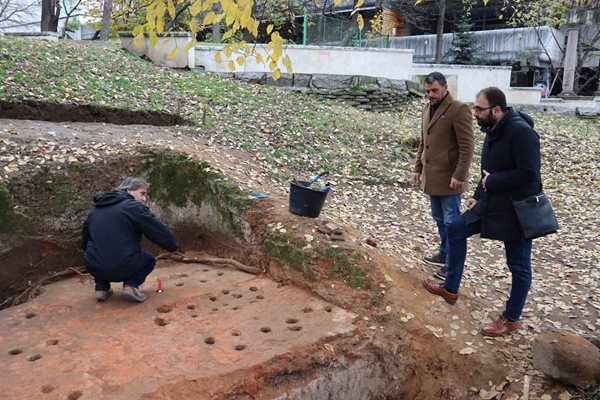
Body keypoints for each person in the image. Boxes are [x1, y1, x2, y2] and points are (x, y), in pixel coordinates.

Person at [422, 87, 541, 337]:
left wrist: (492, 182)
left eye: (479, 109)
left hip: (517, 209)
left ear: (496, 110)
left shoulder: (521, 133)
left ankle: (511, 318)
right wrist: (478, 195)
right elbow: (488, 171)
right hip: (492, 202)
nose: (475, 113)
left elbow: (529, 174)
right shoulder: (492, 129)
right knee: (455, 228)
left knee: (518, 265)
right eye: (475, 108)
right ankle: (451, 287)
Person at [413, 72, 474, 279]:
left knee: (452, 222)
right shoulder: (426, 109)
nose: (430, 95)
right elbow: (424, 142)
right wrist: (417, 169)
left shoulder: (459, 109)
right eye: (428, 91)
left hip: (450, 179)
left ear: (445, 88)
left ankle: (452, 264)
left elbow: (467, 147)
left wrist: (460, 175)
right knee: (439, 218)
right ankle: (444, 253)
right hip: (433, 177)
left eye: (434, 90)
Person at [82, 177, 179, 303]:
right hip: (123, 267)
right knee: (148, 259)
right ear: (129, 191)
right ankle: (131, 286)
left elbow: (85, 240)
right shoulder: (132, 207)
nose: (144, 199)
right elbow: (157, 229)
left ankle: (101, 288)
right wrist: (173, 245)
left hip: (94, 266)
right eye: (142, 193)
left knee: (99, 254)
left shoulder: (95, 209)